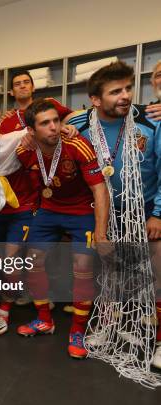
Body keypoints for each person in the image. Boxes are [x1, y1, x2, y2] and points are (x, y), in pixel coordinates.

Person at [66, 61, 161, 367]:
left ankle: (159, 342)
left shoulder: (151, 121)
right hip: (103, 211)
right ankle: (109, 326)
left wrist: (158, 214)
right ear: (95, 99)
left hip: (145, 209)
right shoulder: (79, 124)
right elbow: (50, 128)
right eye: (115, 91)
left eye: (128, 88)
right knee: (106, 273)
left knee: (158, 271)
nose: (125, 96)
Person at [16, 99, 109, 359]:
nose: (54, 127)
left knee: (82, 266)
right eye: (45, 123)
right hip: (49, 209)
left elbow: (99, 189)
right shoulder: (24, 152)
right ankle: (45, 319)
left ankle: (77, 331)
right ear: (31, 131)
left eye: (56, 120)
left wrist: (101, 234)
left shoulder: (77, 145)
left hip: (81, 211)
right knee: (32, 261)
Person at [0, 69, 72, 134]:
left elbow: (73, 115)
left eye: (26, 82)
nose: (22, 86)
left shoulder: (48, 103)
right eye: (17, 84)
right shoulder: (7, 119)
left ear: (33, 88)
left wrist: (61, 124)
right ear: (11, 92)